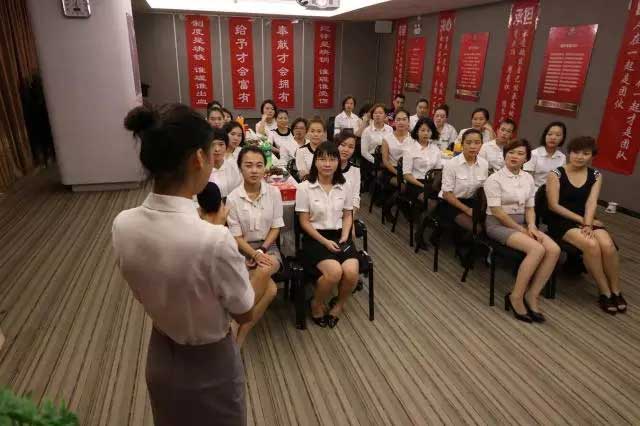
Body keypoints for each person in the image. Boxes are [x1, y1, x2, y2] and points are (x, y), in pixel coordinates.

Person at [113, 104, 254, 425]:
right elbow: (244, 312)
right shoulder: (213, 240)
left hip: (160, 353)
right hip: (211, 363)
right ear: (198, 159)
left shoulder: (123, 224)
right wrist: (217, 232)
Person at [546, 136, 626, 314]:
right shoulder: (556, 174)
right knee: (591, 244)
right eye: (576, 152)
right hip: (562, 220)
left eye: (585, 153)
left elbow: (591, 203)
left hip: (587, 219)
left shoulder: (596, 175)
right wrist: (584, 223)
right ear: (569, 153)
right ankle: (604, 291)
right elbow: (554, 206)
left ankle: (616, 290)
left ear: (592, 156)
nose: (580, 157)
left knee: (607, 245)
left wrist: (588, 223)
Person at [483, 139, 560, 323]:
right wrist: (521, 229)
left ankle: (532, 295)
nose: (514, 156)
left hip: (523, 223)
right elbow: (498, 212)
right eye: (511, 152)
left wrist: (531, 226)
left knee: (554, 249)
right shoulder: (494, 179)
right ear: (505, 155)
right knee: (537, 249)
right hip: (498, 224)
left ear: (526, 158)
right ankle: (516, 296)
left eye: (520, 153)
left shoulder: (528, 178)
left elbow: (530, 208)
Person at [295, 141, 359, 328]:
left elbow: (347, 215)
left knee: (351, 272)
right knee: (334, 272)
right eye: (322, 159)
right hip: (315, 237)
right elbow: (304, 222)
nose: (327, 164)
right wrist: (324, 241)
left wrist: (345, 235)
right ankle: (316, 303)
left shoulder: (345, 185)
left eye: (332, 159)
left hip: (339, 234)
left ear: (338, 162)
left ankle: (339, 305)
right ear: (315, 162)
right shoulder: (304, 187)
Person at [226, 146, 284, 346]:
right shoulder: (233, 198)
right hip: (242, 250)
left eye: (259, 165)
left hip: (269, 247)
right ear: (240, 168)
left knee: (265, 269)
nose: (254, 170)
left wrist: (261, 251)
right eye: (248, 165)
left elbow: (276, 227)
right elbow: (236, 236)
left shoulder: (274, 193)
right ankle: (240, 339)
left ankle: (234, 323)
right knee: (271, 290)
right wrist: (252, 253)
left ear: (265, 168)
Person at [439, 129, 488, 231]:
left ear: (481, 145)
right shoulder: (452, 164)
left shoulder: (484, 164)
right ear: (462, 144)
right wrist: (467, 210)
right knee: (475, 228)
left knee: (488, 225)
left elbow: (483, 189)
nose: (473, 146)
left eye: (477, 143)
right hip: (450, 202)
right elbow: (447, 194)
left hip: (471, 201)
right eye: (468, 143)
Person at [381, 108, 415, 220]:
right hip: (391, 170)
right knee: (404, 186)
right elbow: (385, 161)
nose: (401, 122)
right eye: (398, 119)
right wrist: (398, 173)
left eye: (404, 119)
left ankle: (405, 207)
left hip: (408, 170)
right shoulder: (387, 138)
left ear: (408, 122)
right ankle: (387, 207)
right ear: (394, 122)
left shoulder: (413, 139)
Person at [403, 117, 442, 204]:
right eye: (423, 130)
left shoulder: (435, 149)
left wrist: (434, 185)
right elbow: (406, 175)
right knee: (429, 201)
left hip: (431, 183)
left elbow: (438, 171)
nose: (426, 133)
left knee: (444, 200)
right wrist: (423, 186)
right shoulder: (409, 149)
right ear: (417, 131)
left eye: (429, 131)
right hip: (415, 183)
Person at [524, 121, 567, 189]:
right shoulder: (533, 154)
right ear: (545, 136)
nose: (553, 137)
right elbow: (526, 179)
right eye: (550, 134)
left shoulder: (562, 157)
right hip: (534, 191)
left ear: (562, 138)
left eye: (558, 135)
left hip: (553, 192)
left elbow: (560, 179)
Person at [208, 127, 243, 198]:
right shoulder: (201, 171)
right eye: (212, 145)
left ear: (226, 146)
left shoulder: (234, 166)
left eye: (221, 144)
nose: (217, 149)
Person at [336, 132, 361, 213]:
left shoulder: (355, 169)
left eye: (351, 147)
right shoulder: (326, 166)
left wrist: (350, 216)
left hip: (346, 213)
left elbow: (355, 197)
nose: (346, 150)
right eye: (343, 145)